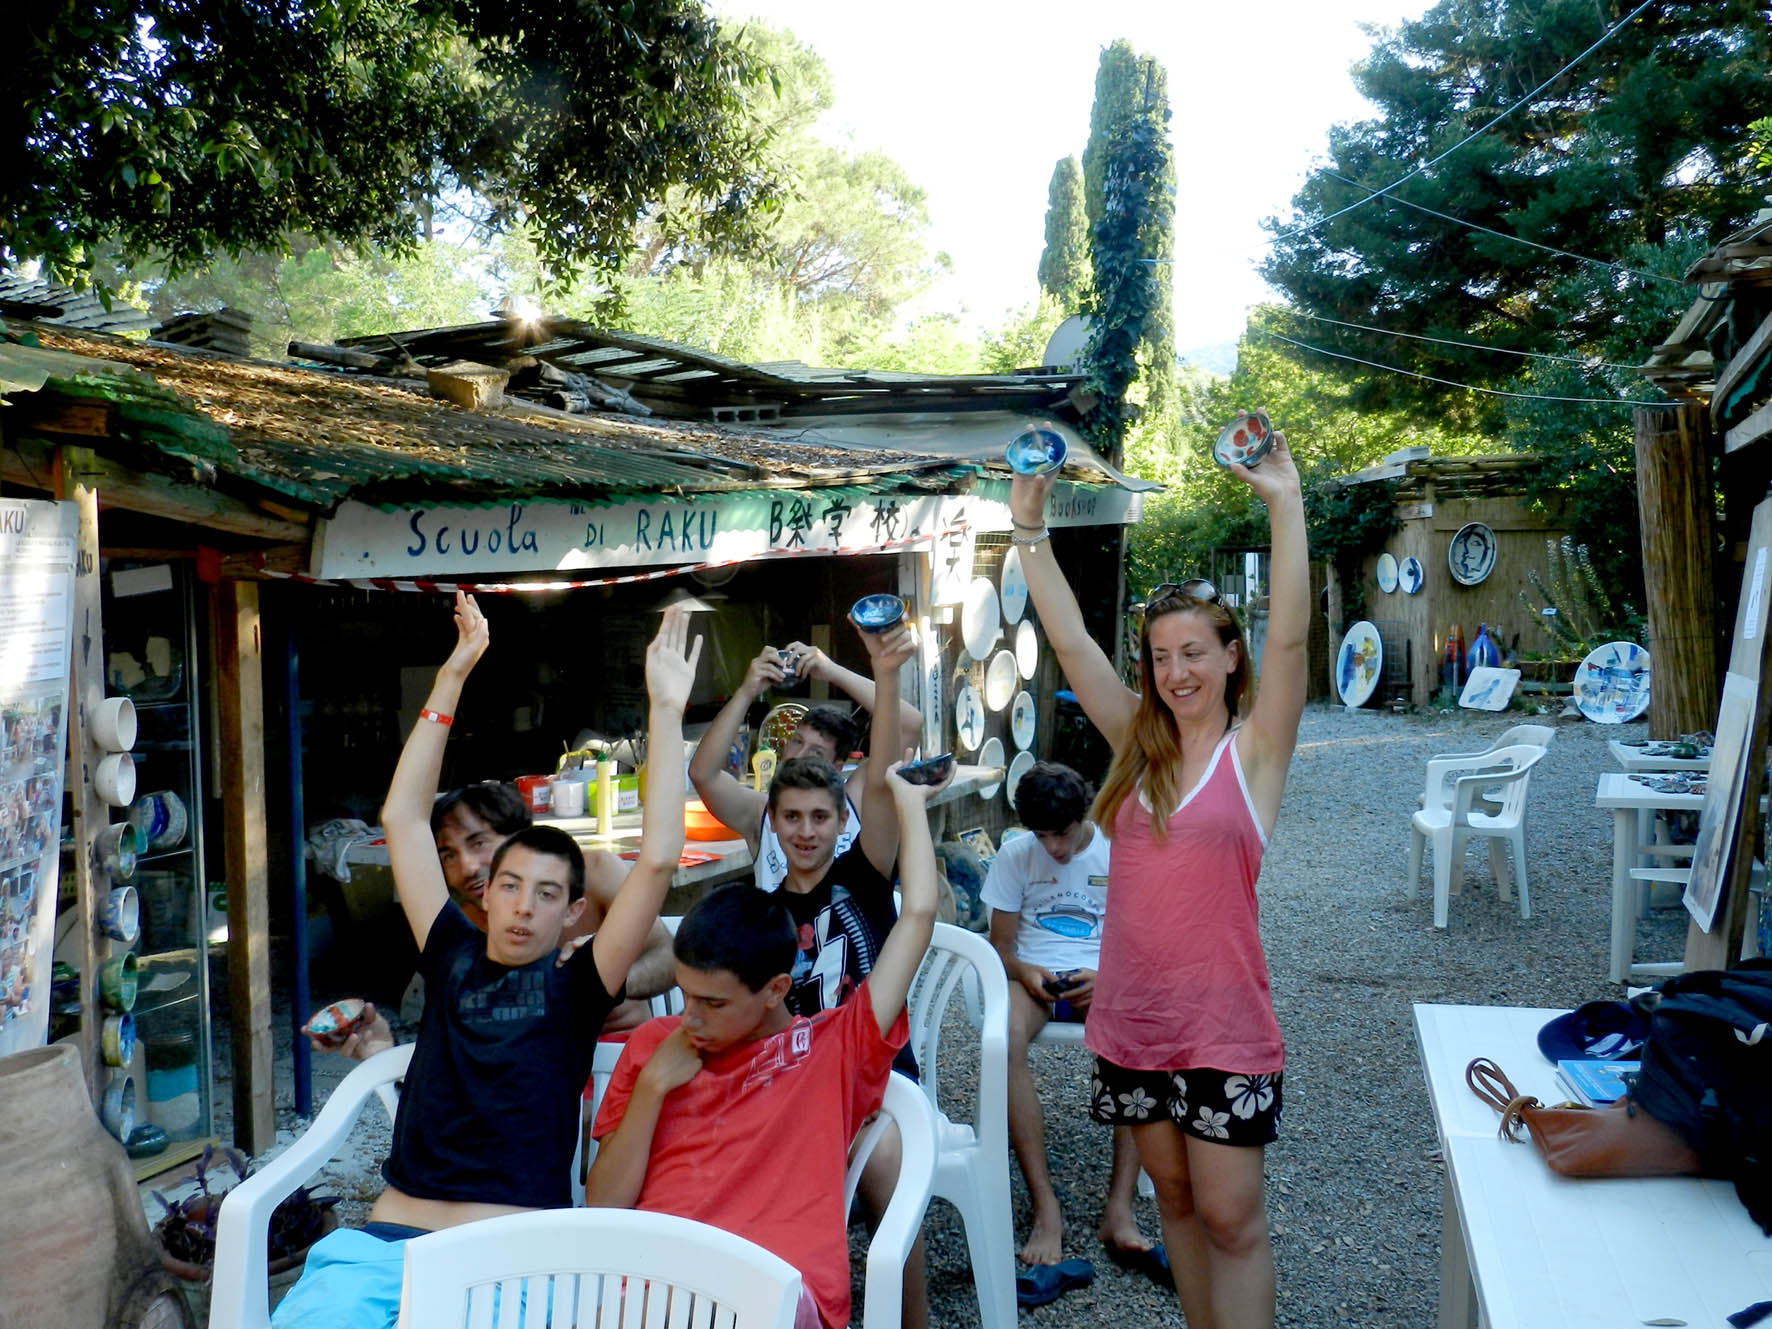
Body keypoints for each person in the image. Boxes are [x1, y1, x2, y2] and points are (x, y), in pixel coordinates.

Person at [273, 594, 700, 1329]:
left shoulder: (580, 981)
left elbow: (659, 857)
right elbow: (402, 816)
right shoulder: (448, 949)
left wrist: (664, 710)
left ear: (573, 911)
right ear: (486, 892)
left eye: (546, 893)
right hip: (386, 1247)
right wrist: (453, 674)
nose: (523, 904)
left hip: (514, 1261)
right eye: (509, 885)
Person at [1008, 423, 1308, 1329]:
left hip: (1221, 1023)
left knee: (1231, 1217)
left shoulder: (1255, 753)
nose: (1176, 672)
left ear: (1228, 659)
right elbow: (1068, 642)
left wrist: (1285, 502)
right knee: (1173, 1201)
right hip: (1131, 1019)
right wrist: (1029, 528)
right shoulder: (1137, 749)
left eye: (1194, 653)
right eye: (1161, 656)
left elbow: (1291, 641)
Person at [585, 757, 946, 1329]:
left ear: (777, 990)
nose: (690, 1018)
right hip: (650, 1286)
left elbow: (918, 915)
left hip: (774, 1291)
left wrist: (909, 803)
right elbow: (602, 1209)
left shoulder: (832, 1047)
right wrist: (653, 1086)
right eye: (686, 995)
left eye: (714, 1003)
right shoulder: (657, 1044)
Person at [982, 761, 1160, 1282]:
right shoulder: (1017, 855)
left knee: (1134, 1036)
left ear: (1083, 817)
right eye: (1042, 836)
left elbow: (1144, 939)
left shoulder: (1116, 848)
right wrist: (1026, 972)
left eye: (1061, 834)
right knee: (1002, 1041)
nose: (1053, 848)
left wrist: (1107, 978)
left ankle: (1119, 1209)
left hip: (1104, 974)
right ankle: (1045, 1206)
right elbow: (1000, 947)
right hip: (1035, 976)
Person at [689, 626, 922, 891]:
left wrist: (831, 671)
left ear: (837, 767)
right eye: (797, 742)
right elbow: (702, 774)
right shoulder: (762, 813)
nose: (798, 756)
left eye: (815, 752)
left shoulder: (858, 802)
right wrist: (746, 692)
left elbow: (909, 724)